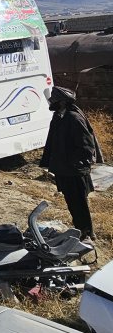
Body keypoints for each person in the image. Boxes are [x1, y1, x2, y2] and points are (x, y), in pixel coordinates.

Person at [41, 86, 103, 239]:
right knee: (72, 202)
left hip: (75, 171)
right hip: (64, 170)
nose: (51, 102)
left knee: (80, 203)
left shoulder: (74, 118)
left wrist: (74, 164)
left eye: (55, 99)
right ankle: (80, 230)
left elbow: (86, 146)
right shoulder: (58, 117)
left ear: (62, 102)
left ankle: (87, 233)